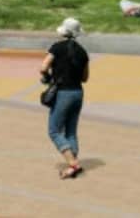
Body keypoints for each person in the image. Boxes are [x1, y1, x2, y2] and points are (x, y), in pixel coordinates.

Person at [40, 17, 89, 180]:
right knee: (71, 131)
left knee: (54, 131)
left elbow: (43, 67)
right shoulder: (82, 52)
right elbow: (85, 78)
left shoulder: (57, 47)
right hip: (78, 93)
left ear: (63, 32)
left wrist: (47, 77)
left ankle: (74, 164)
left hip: (63, 93)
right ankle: (72, 166)